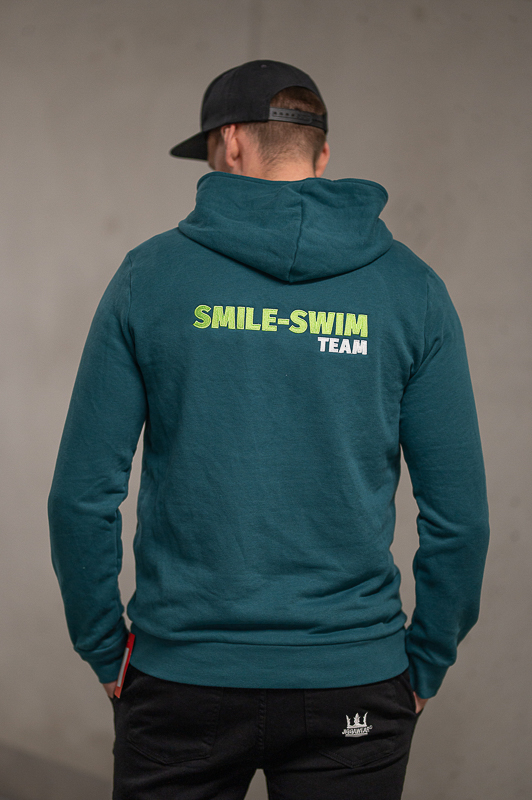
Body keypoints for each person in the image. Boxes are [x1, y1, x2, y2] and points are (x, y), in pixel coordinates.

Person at [48, 59, 490, 800]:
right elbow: (461, 519)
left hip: (182, 675)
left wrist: (103, 646)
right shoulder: (413, 290)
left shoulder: (148, 279)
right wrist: (426, 660)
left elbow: (80, 498)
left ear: (229, 143)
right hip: (354, 677)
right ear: (321, 154)